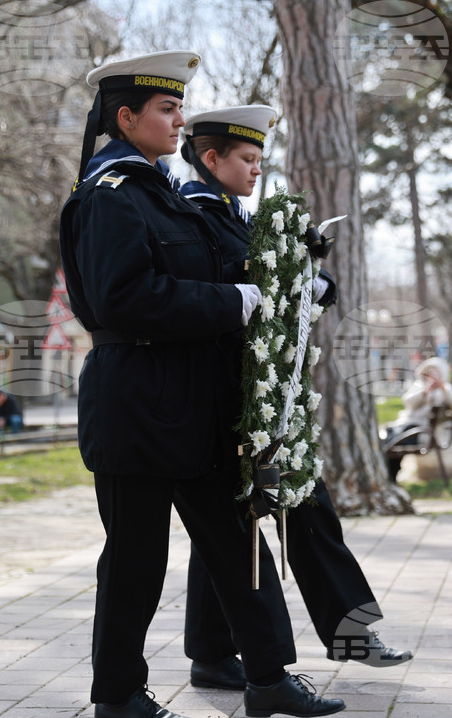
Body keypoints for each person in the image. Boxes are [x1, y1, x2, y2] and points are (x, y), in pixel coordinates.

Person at [59, 53, 344, 718]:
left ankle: (269, 678)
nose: (179, 118)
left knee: (237, 542)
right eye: (166, 108)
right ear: (125, 118)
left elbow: (221, 267)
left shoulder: (160, 194)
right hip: (136, 406)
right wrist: (231, 303)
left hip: (196, 405)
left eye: (179, 106)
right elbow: (121, 299)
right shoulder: (109, 198)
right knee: (135, 563)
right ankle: (119, 695)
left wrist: (284, 286)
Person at [177, 106, 411, 694]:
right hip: (230, 401)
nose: (257, 170)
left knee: (235, 527)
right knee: (297, 504)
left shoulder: (236, 217)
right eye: (247, 160)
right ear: (212, 159)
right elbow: (237, 297)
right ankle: (349, 631)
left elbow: (275, 296)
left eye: (260, 160)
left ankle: (211, 651)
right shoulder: (194, 219)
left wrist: (313, 276)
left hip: (256, 396)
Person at [382, 356, 452, 483]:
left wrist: (442, 388)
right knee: (389, 442)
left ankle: (390, 476)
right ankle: (390, 474)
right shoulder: (419, 386)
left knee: (391, 445)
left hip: (419, 430)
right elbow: (408, 402)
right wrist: (425, 392)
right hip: (406, 427)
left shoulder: (446, 389)